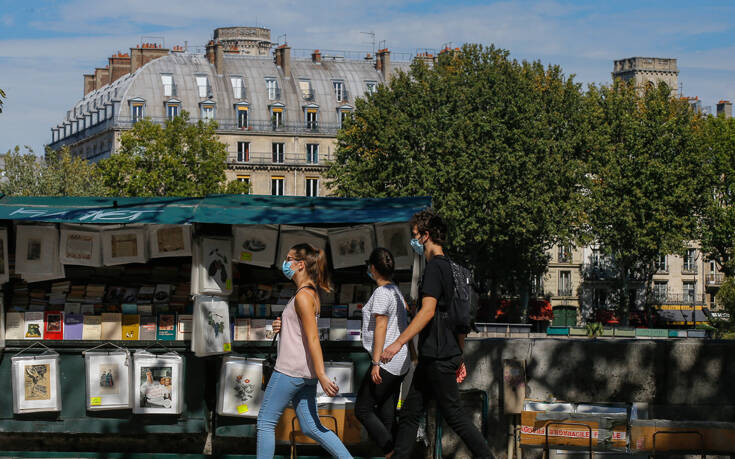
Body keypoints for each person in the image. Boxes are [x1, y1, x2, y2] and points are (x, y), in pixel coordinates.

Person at [381, 209, 492, 459]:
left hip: (438, 357)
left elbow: (428, 311)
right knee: (410, 414)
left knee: (455, 415)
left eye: (414, 235)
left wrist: (398, 343)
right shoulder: (453, 270)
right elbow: (460, 318)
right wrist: (459, 355)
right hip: (437, 356)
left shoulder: (434, 269)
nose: (413, 241)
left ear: (425, 236)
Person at [256, 243, 352, 459]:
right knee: (312, 428)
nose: (285, 263)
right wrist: (282, 327)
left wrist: (322, 375)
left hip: (289, 371)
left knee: (265, 422)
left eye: (288, 258)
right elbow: (303, 333)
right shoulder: (308, 293)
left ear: (300, 265)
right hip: (304, 374)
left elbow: (313, 338)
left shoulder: (303, 296)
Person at [355, 248, 411, 457]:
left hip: (386, 361)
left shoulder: (381, 293)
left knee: (363, 409)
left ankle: (392, 451)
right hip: (399, 363)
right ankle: (393, 452)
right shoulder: (395, 290)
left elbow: (381, 327)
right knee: (387, 412)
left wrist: (376, 363)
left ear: (373, 268)